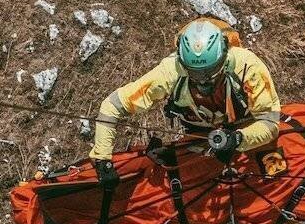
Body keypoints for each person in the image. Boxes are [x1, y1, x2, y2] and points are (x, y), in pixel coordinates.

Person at [89, 17, 281, 187]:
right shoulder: (170, 72)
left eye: (210, 71)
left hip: (245, 128)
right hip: (199, 135)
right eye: (195, 73)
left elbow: (269, 123)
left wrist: (238, 139)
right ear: (182, 64)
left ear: (225, 59)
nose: (203, 81)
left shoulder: (248, 67)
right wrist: (102, 159)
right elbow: (113, 106)